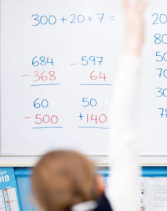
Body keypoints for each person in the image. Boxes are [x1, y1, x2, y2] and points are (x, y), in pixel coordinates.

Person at [31, 0, 147, 210]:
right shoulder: (118, 205)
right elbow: (123, 131)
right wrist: (133, 42)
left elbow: (123, 136)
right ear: (98, 183)